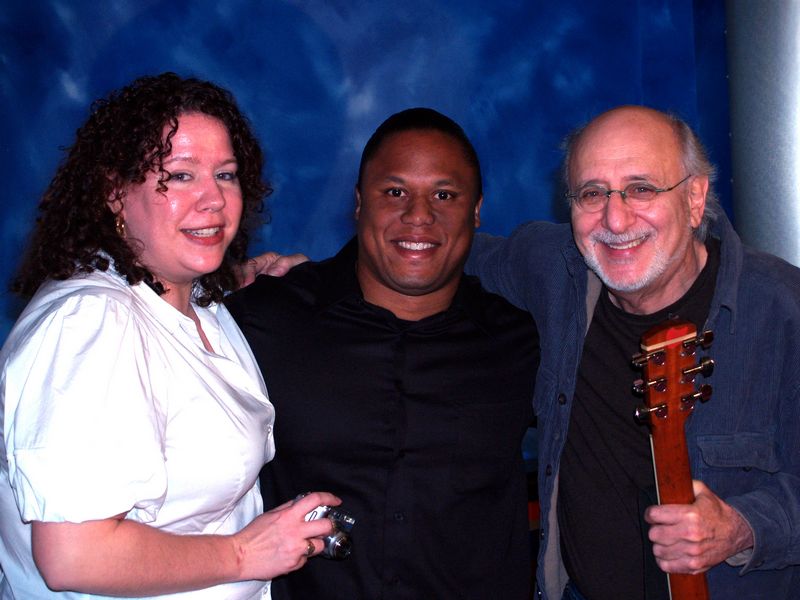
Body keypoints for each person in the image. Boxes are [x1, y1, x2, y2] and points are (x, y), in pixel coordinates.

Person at [0, 72, 339, 599]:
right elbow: (75, 556)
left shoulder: (192, 299)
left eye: (225, 175)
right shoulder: (89, 322)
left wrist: (259, 278)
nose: (213, 199)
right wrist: (246, 554)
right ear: (115, 193)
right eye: (180, 176)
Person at [466, 105, 800, 599]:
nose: (615, 219)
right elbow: (441, 249)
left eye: (641, 188)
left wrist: (744, 527)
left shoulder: (783, 309)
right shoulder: (553, 271)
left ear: (694, 198)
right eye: (592, 193)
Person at [226, 108, 540, 599]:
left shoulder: (521, 341)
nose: (419, 215)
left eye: (444, 194)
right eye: (395, 192)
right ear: (358, 203)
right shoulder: (263, 319)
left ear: (477, 210)